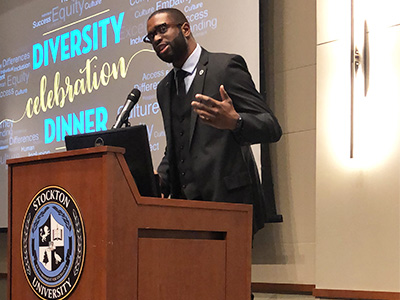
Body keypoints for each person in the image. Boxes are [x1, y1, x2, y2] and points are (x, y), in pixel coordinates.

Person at [145, 8, 282, 234]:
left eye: (162, 29)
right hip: (184, 213)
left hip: (228, 205)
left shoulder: (225, 67)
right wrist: (160, 181)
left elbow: (271, 127)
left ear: (185, 28)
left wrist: (236, 121)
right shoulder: (164, 88)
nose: (157, 38)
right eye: (151, 36)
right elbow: (177, 143)